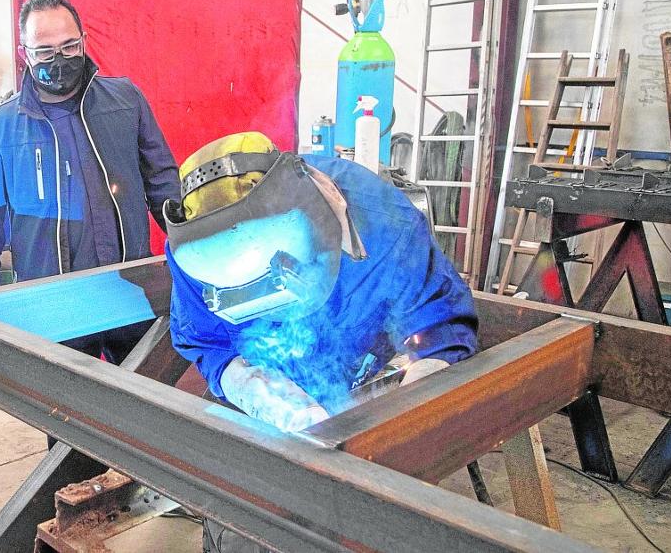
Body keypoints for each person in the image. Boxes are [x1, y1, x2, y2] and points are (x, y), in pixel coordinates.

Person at [164, 132, 478, 551]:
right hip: (271, 386)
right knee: (245, 521)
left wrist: (407, 423)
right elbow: (207, 340)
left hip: (362, 364)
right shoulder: (195, 252)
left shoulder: (385, 224)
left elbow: (439, 326)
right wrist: (253, 388)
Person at [0, 0, 181, 363]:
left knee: (147, 389)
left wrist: (191, 246)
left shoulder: (126, 101)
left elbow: (162, 182)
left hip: (129, 293)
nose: (59, 59)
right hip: (53, 308)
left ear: (84, 41)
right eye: (45, 52)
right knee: (64, 398)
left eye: (69, 46)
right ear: (24, 54)